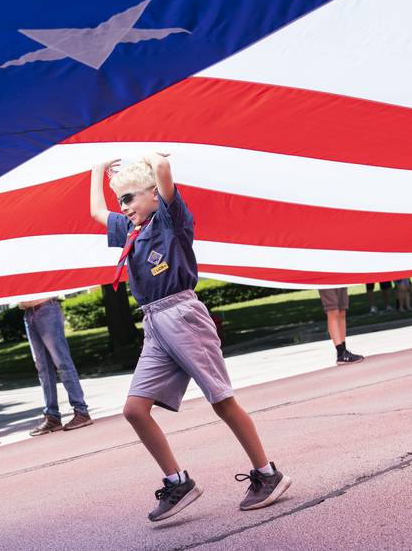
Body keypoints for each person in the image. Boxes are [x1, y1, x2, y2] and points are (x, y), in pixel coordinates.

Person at [90, 153, 291, 522]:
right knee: (134, 410)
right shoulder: (130, 231)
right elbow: (96, 213)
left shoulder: (171, 221)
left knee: (221, 400)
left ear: (153, 194)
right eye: (121, 200)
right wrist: (98, 169)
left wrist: (150, 156)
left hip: (184, 314)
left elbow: (163, 171)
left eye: (130, 197)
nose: (124, 206)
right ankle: (177, 481)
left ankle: (267, 473)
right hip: (153, 322)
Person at [19, 298, 93, 435]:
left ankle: (81, 411)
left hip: (46, 308)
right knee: (43, 369)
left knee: (62, 363)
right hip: (28, 313)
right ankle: (52, 417)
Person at [318, 288, 365, 365]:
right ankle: (340, 352)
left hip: (338, 278)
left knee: (342, 310)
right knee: (332, 310)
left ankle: (343, 350)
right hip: (325, 278)